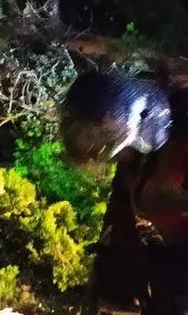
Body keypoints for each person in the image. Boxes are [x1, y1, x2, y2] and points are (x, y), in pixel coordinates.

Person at [59, 70, 184, 314]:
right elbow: (120, 222)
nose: (121, 159)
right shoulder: (133, 167)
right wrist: (110, 275)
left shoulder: (179, 142)